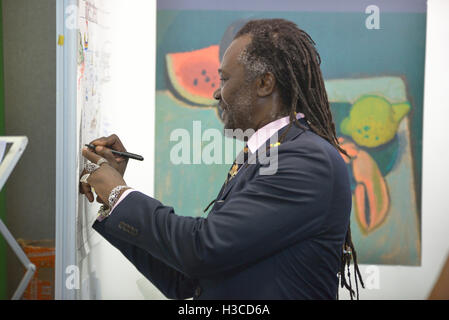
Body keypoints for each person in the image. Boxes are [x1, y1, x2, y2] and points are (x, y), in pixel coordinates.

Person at [79, 18, 363, 300]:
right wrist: (112, 201)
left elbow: (203, 250)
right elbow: (189, 280)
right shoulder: (265, 154)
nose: (217, 92)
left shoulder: (306, 160)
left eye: (225, 79)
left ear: (264, 83)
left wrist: (119, 194)